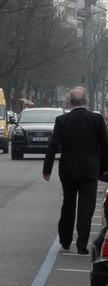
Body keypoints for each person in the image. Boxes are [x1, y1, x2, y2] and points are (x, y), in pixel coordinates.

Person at [43, 86, 108, 254]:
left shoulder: (62, 120)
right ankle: (82, 244)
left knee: (68, 204)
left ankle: (65, 240)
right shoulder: (97, 120)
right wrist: (104, 168)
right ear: (86, 101)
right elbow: (105, 146)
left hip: (68, 170)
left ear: (70, 102)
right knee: (87, 208)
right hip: (90, 170)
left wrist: (47, 168)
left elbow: (53, 146)